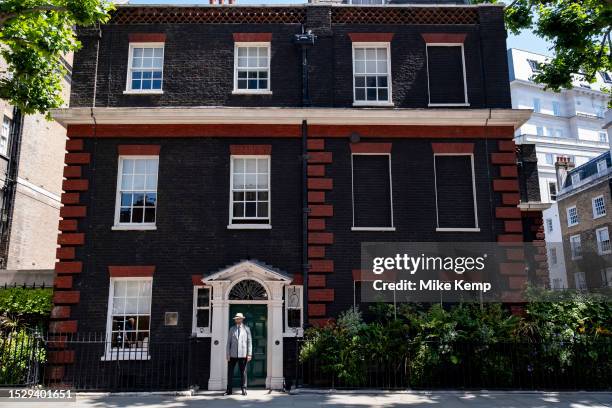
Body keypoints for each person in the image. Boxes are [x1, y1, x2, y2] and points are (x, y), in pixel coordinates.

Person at [225, 312, 252, 396]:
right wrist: (227, 354)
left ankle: (243, 389)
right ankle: (229, 390)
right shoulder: (231, 329)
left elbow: (249, 342)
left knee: (243, 373)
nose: (237, 320)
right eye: (236, 319)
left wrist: (249, 354)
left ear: (242, 319)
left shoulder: (246, 329)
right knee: (230, 373)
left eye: (239, 318)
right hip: (232, 354)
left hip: (243, 354)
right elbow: (228, 342)